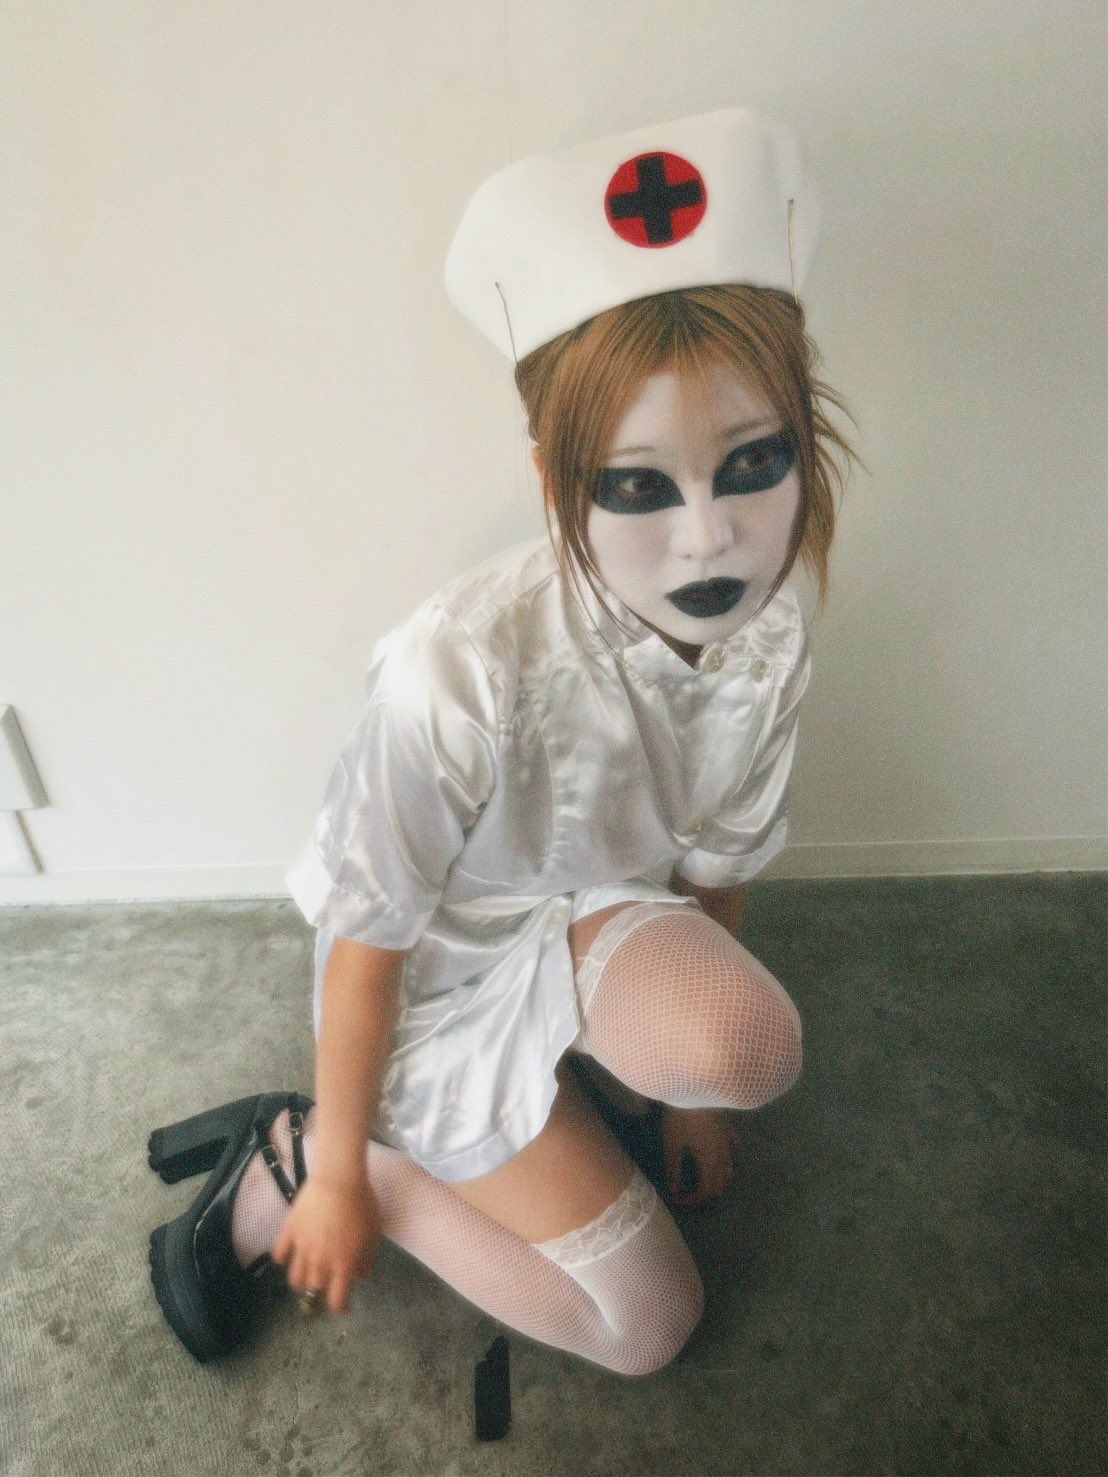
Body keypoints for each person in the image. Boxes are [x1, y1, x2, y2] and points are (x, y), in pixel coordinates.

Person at [147, 107, 857, 1375]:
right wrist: (341, 1187)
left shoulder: (766, 637)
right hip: (435, 978)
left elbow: (717, 863)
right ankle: (309, 1151)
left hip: (585, 917)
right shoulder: (459, 666)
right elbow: (369, 945)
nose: (708, 539)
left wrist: (685, 1098)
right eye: (637, 486)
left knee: (745, 1047)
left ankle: (581, 1084)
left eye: (753, 463)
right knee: (647, 1325)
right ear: (555, 480)